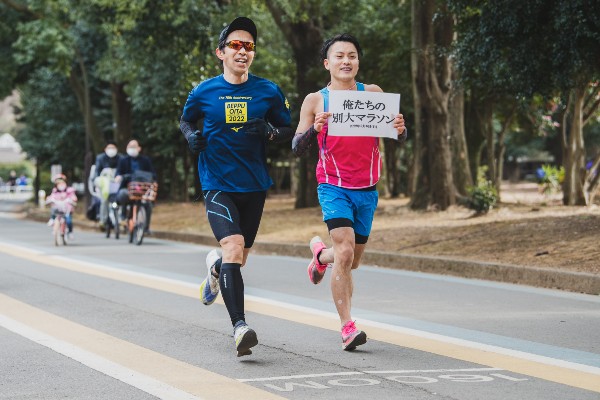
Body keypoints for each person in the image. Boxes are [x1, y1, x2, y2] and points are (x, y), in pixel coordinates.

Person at [179, 16, 293, 357]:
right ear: (221, 52)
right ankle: (240, 327)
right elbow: (186, 119)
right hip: (216, 181)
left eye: (249, 46)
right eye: (235, 45)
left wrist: (271, 133)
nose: (243, 51)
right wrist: (191, 137)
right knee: (233, 245)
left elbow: (288, 129)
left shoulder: (268, 91)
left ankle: (215, 269)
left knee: (237, 257)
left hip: (254, 183)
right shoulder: (204, 91)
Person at [291, 33, 407, 351]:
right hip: (333, 186)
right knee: (344, 253)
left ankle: (319, 257)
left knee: (350, 261)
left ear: (358, 61)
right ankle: (347, 326)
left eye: (352, 55)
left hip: (367, 189)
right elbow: (296, 146)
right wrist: (314, 130)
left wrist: (401, 128)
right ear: (328, 63)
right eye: (339, 56)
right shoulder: (316, 100)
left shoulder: (373, 94)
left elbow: (398, 136)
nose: (346, 61)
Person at [115, 140, 157, 233]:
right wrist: (119, 177)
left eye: (134, 146)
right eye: (130, 146)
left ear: (139, 148)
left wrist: (153, 181)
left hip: (142, 189)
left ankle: (146, 228)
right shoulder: (123, 160)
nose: (132, 149)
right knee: (122, 194)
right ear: (127, 148)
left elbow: (153, 174)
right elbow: (118, 173)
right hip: (127, 188)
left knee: (148, 205)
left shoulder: (145, 160)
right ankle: (123, 215)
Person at [93, 140, 122, 227]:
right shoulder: (100, 158)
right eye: (109, 148)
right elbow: (97, 173)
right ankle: (103, 220)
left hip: (116, 183)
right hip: (104, 183)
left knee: (119, 199)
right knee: (104, 200)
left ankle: (120, 219)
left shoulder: (121, 158)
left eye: (113, 148)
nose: (111, 150)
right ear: (105, 149)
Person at [46, 174, 78, 240]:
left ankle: (70, 232)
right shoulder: (55, 191)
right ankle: (52, 219)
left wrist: (73, 199)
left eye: (61, 182)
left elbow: (73, 196)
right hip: (58, 208)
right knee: (53, 210)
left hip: (67, 209)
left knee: (69, 221)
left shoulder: (69, 190)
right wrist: (49, 199)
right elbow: (52, 196)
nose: (60, 184)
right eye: (58, 183)